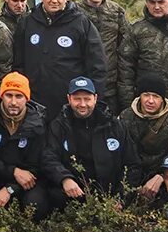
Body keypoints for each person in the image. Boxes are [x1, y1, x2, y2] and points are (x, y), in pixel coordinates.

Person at [18, 0, 106, 118]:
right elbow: (18, 64)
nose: (54, 0)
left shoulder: (81, 23)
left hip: (70, 103)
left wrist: (95, 101)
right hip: (35, 103)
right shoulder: (27, 23)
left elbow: (97, 66)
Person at [42, 75, 130, 211]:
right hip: (72, 195)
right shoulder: (58, 126)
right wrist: (64, 178)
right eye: (77, 99)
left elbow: (132, 164)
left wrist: (121, 197)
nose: (82, 104)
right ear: (69, 99)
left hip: (110, 197)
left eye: (87, 99)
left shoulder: (114, 125)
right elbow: (49, 157)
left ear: (95, 98)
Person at [0, 72, 51, 219]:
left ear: (27, 98)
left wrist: (10, 189)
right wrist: (12, 171)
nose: (13, 102)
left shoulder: (38, 123)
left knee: (36, 204)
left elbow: (37, 166)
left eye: (19, 96)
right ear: (1, 96)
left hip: (27, 181)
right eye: (9, 95)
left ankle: (24, 231)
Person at [121, 71, 168, 204]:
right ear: (139, 96)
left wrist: (161, 176)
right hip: (130, 178)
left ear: (163, 99)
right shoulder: (124, 117)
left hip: (166, 179)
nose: (150, 101)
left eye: (156, 96)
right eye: (146, 95)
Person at [78, 0, 130, 89]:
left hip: (110, 81)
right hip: (82, 81)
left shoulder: (116, 11)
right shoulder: (74, 11)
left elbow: (126, 44)